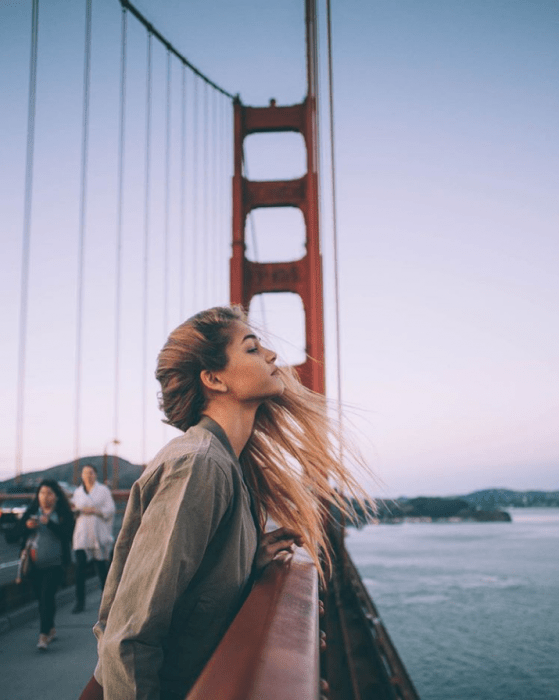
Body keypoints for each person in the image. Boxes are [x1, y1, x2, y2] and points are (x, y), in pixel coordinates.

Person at [84, 305, 369, 700]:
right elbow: (130, 636)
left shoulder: (228, 464)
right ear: (214, 378)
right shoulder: (200, 465)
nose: (272, 356)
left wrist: (244, 565)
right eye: (252, 349)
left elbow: (188, 597)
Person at [16, 479, 74, 650]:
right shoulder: (33, 511)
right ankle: (50, 628)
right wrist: (26, 526)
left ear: (56, 496)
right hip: (34, 565)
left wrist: (50, 524)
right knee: (42, 600)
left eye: (49, 493)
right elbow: (13, 534)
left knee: (47, 597)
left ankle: (43, 636)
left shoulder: (63, 513)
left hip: (55, 565)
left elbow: (67, 534)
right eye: (41, 493)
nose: (44, 497)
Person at [72, 464, 116, 613]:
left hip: (98, 533)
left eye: (91, 473)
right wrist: (77, 511)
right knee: (79, 569)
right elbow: (75, 509)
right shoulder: (77, 492)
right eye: (85, 473)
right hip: (82, 534)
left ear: (95, 475)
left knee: (101, 568)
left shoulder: (103, 490)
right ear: (82, 476)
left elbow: (110, 509)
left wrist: (95, 510)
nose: (88, 476)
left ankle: (107, 602)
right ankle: (80, 602)